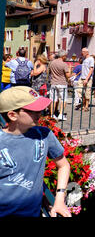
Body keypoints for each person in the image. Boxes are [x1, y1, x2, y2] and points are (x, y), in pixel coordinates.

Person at [0, 86, 71, 217]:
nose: (40, 113)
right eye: (33, 110)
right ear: (12, 115)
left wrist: (60, 199)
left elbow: (64, 165)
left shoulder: (44, 135)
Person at [48, 50, 71, 121]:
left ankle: (52, 114)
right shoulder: (64, 64)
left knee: (53, 99)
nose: (66, 57)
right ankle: (61, 114)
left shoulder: (51, 63)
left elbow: (48, 72)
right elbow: (68, 76)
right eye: (65, 56)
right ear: (63, 56)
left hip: (53, 83)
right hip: (62, 83)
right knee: (63, 99)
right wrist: (70, 69)